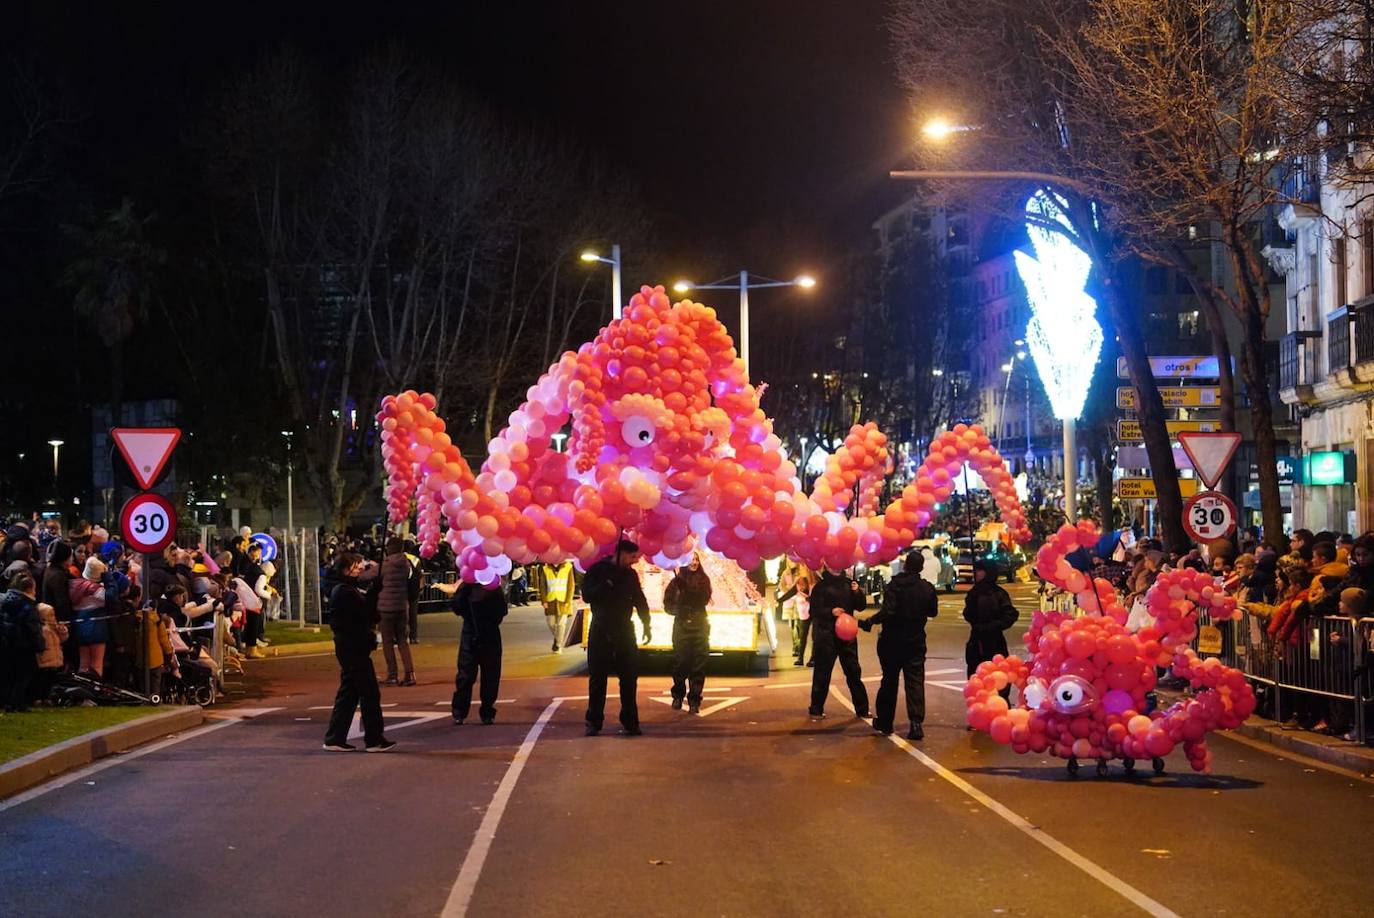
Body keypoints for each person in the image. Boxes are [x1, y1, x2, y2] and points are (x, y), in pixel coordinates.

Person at [859, 549, 938, 740]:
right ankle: (916, 723)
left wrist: (869, 622)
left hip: (892, 641)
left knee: (889, 681)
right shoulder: (926, 588)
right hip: (915, 641)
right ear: (920, 568)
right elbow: (933, 612)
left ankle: (885, 722)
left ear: (905, 565)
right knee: (915, 683)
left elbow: (888, 612)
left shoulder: (895, 585)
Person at [322, 553, 394, 753]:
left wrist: (373, 593)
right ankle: (374, 739)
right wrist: (373, 594)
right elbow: (363, 615)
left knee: (349, 693)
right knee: (369, 692)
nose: (359, 570)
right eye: (355, 567)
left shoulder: (345, 590)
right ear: (346, 570)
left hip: (351, 647)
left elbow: (369, 614)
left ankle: (335, 738)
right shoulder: (344, 592)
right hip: (353, 649)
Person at [581, 539, 651, 736]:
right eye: (631, 557)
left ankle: (630, 721)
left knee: (629, 678)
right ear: (620, 553)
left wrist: (647, 624)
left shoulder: (630, 574)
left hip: (625, 629)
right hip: (601, 629)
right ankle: (594, 721)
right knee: (598, 678)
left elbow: (639, 599)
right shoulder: (598, 570)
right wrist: (606, 585)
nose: (634, 561)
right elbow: (587, 595)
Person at [807, 566, 870, 720]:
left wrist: (857, 592)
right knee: (823, 672)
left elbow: (860, 606)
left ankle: (862, 709)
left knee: (853, 671)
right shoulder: (820, 587)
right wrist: (831, 612)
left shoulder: (849, 584)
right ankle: (816, 708)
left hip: (847, 635)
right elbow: (814, 611)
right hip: (827, 635)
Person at [445, 579, 508, 725]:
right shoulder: (473, 586)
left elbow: (457, 607)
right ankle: (479, 711)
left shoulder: (489, 586)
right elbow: (457, 606)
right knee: (476, 675)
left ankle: (467, 711)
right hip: (480, 634)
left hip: (478, 634)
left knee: (476, 675)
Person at [664, 552, 712, 714]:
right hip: (681, 626)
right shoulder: (675, 583)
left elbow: (703, 598)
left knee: (698, 665)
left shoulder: (704, 580)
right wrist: (677, 610)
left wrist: (687, 590)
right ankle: (678, 694)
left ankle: (694, 701)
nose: (694, 562)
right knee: (681, 662)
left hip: (700, 626)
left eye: (697, 560)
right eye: (691, 559)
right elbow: (668, 603)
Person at [963, 560, 1018, 701]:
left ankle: (999, 706)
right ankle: (979, 708)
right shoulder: (974, 593)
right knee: (976, 676)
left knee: (998, 676)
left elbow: (1010, 614)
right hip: (977, 641)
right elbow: (969, 614)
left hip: (995, 642)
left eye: (980, 571)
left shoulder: (999, 593)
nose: (977, 574)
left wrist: (994, 625)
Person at [0, 571, 45, 711]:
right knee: (25, 675)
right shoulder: (29, 606)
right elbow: (33, 629)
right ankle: (17, 703)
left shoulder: (6, 601)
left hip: (8, 642)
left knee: (10, 674)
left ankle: (7, 702)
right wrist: (40, 645)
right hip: (24, 645)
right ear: (30, 589)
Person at [376, 537, 416, 686]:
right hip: (402, 606)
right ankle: (410, 673)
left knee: (387, 642)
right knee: (402, 641)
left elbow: (371, 575)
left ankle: (392, 675)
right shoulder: (406, 564)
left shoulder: (386, 565)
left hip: (386, 608)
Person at [70, 556, 109, 678]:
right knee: (96, 666)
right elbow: (111, 598)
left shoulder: (74, 586)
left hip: (80, 629)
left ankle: (82, 693)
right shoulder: (98, 591)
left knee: (83, 665)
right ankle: (92, 695)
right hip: (96, 630)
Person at [779, 560, 814, 666]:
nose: (802, 569)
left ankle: (813, 658)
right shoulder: (798, 582)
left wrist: (810, 599)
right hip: (804, 611)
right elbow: (790, 592)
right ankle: (800, 658)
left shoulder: (813, 581)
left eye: (804, 567)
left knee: (815, 636)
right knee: (803, 634)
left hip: (815, 611)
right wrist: (778, 601)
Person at [541, 559, 576, 653]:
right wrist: (544, 600)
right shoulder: (545, 568)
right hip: (551, 600)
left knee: (561, 624)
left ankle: (558, 645)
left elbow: (571, 585)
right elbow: (543, 586)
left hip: (563, 600)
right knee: (551, 623)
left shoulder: (568, 567)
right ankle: (558, 639)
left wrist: (568, 600)